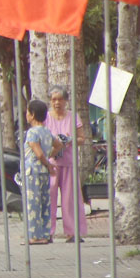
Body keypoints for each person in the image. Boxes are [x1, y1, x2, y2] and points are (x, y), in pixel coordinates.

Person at [45, 86, 88, 242]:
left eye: (60, 99)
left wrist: (70, 140)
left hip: (68, 161)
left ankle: (73, 232)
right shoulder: (46, 118)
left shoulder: (72, 117)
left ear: (65, 101)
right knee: (49, 197)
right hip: (51, 163)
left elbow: (82, 138)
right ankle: (47, 231)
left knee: (70, 198)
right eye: (54, 99)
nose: (57, 103)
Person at [22, 98, 63, 246]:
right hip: (44, 173)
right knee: (45, 203)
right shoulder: (46, 132)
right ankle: (46, 234)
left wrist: (47, 161)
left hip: (32, 172)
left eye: (27, 112)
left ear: (32, 115)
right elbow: (58, 145)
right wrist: (50, 157)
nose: (26, 114)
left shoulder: (32, 133)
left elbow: (38, 154)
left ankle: (34, 235)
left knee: (33, 204)